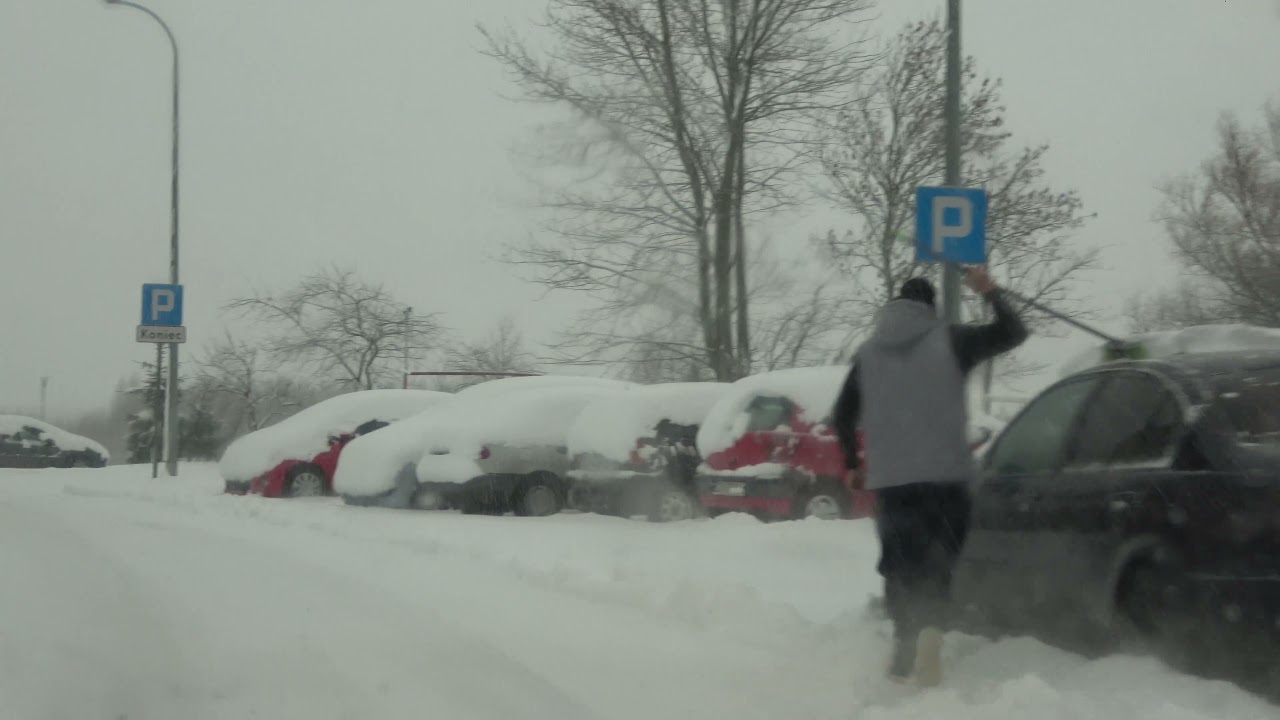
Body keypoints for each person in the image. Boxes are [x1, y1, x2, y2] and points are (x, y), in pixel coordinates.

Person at [833, 266, 1027, 687]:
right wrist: (990, 291)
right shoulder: (953, 341)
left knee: (899, 567)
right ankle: (932, 638)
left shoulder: (868, 354)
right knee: (940, 560)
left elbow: (842, 413)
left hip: (893, 482)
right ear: (930, 308)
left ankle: (904, 646)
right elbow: (1014, 333)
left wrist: (852, 463)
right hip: (947, 480)